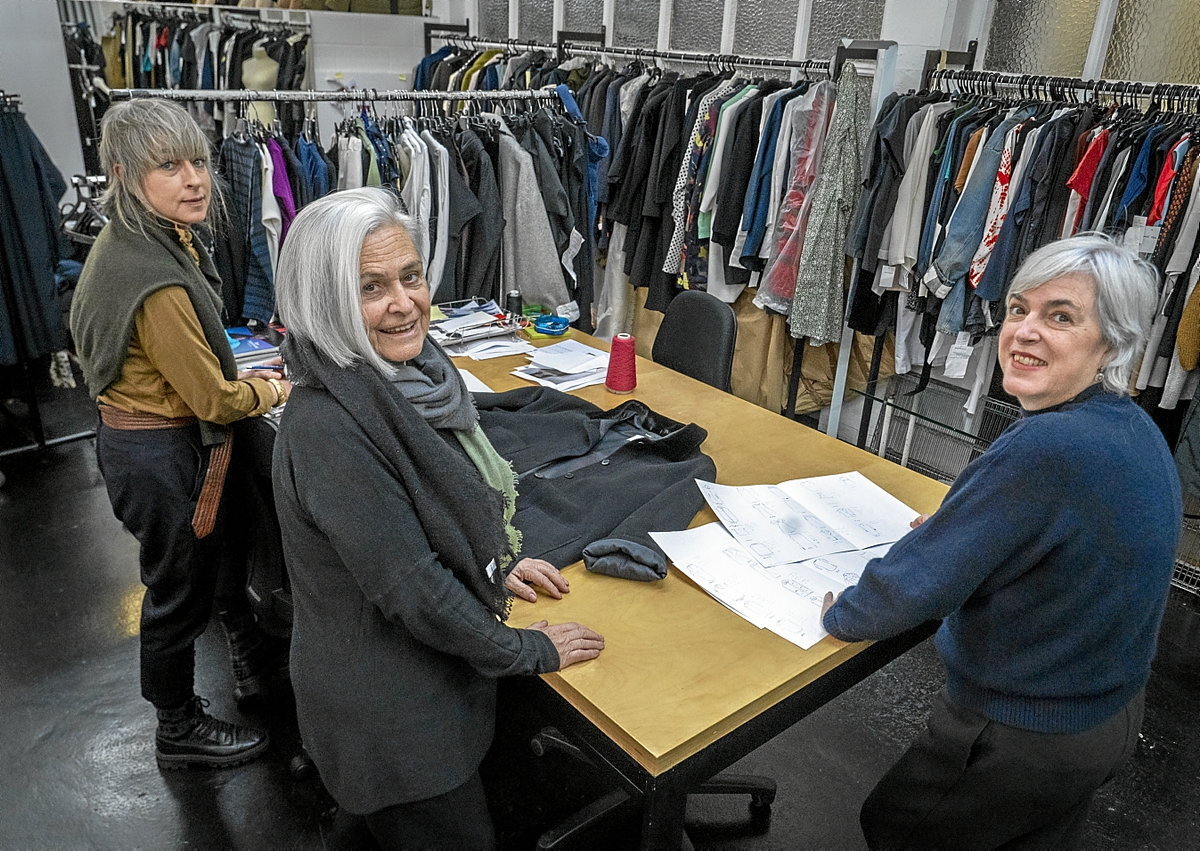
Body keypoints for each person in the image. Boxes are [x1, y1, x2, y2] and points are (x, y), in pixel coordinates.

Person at [822, 233, 1182, 849]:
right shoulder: (1127, 426)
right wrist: (966, 530)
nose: (1024, 331)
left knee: (898, 829)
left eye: (1060, 317)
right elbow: (1062, 540)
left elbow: (913, 586)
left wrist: (844, 614)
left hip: (1022, 732)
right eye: (1018, 309)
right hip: (1104, 714)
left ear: (1112, 341)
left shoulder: (1048, 446)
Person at [270, 186, 605, 848]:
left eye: (411, 276)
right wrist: (527, 651)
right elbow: (414, 589)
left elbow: (431, 508)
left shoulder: (403, 380)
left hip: (425, 684)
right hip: (393, 720)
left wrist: (492, 563)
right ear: (325, 301)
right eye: (370, 288)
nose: (403, 303)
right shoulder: (330, 427)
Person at [70, 99, 291, 770]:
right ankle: (178, 726)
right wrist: (275, 390)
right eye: (169, 166)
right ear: (124, 174)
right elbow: (213, 399)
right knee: (177, 593)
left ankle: (250, 663)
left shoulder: (138, 239)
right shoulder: (156, 277)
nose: (195, 179)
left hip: (148, 443)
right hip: (163, 454)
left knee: (215, 564)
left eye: (198, 160)